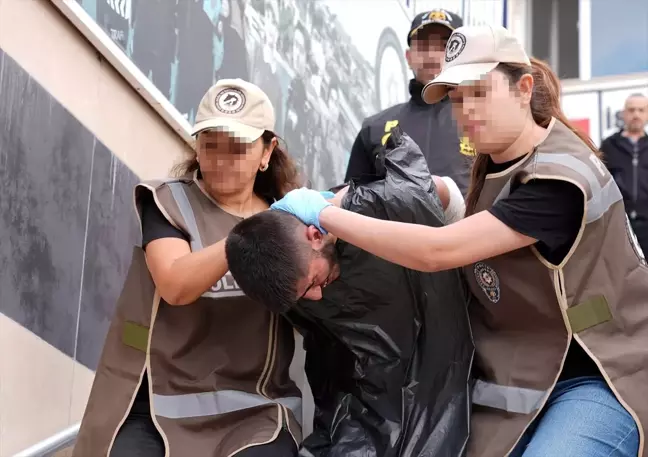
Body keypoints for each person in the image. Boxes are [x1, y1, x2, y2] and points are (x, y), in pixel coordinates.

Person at [270, 25, 647, 457]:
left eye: (479, 92)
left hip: (599, 371)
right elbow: (481, 217)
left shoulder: (560, 178)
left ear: (523, 88)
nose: (465, 110)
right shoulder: (496, 161)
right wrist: (435, 191)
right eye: (456, 98)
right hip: (521, 378)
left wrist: (323, 213)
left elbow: (439, 251)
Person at [74, 79, 304, 457]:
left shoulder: (290, 222)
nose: (220, 159)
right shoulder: (166, 202)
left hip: (256, 409)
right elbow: (175, 285)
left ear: (267, 151)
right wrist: (247, 238)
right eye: (210, 144)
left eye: (237, 147)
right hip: (157, 405)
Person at [224, 127, 472, 456]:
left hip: (454, 379)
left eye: (312, 282)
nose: (314, 298)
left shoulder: (385, 204)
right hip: (369, 407)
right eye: (302, 297)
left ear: (315, 235)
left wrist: (332, 212)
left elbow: (447, 201)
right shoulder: (292, 276)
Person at [344, 8, 473, 194]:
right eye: (422, 46)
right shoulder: (374, 127)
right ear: (408, 57)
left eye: (445, 46)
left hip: (469, 222)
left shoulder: (483, 121)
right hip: (390, 223)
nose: (432, 55)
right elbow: (350, 202)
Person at [601, 93, 648, 254]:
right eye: (632, 110)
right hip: (620, 225)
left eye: (641, 110)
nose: (636, 115)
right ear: (623, 114)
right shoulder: (608, 146)